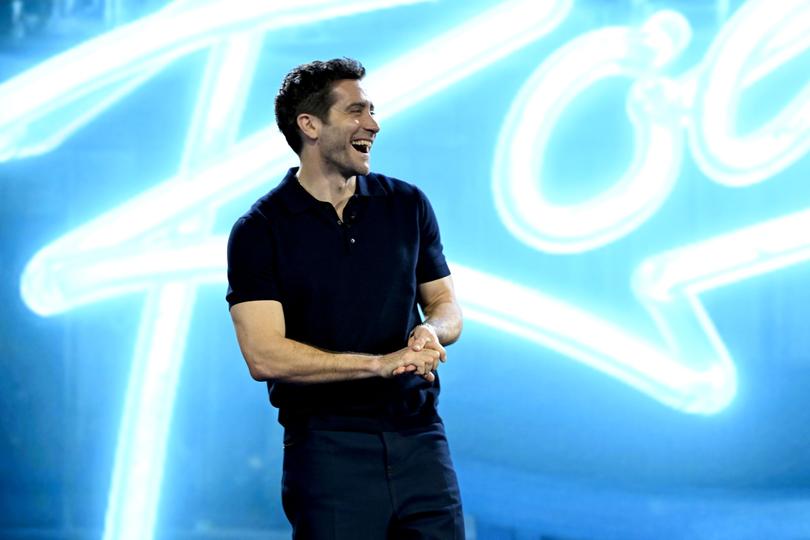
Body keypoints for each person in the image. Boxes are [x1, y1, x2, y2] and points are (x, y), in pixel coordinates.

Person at [226, 57, 464, 539]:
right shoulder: (261, 230)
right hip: (328, 452)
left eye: (372, 110)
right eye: (356, 111)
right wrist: (377, 364)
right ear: (310, 125)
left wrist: (430, 330)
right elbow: (264, 355)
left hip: (421, 442)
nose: (373, 125)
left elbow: (446, 307)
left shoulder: (406, 204)